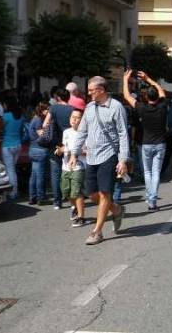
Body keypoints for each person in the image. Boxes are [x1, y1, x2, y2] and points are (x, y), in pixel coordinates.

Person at [69, 76, 129, 246]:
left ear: (101, 90)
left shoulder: (116, 108)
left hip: (109, 156)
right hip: (91, 157)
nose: (88, 93)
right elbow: (82, 132)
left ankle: (97, 232)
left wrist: (123, 160)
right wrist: (74, 153)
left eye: (91, 90)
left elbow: (123, 135)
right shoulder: (89, 107)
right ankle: (116, 209)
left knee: (104, 193)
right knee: (92, 194)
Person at [122, 70, 167, 211]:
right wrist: (149, 79)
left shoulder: (142, 108)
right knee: (156, 173)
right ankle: (152, 200)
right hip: (160, 144)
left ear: (146, 97)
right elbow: (161, 91)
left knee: (147, 173)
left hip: (146, 144)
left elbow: (127, 96)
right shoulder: (163, 106)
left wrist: (125, 80)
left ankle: (150, 198)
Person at [44, 88, 74, 209]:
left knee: (55, 172)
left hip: (55, 143)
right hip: (69, 142)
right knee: (70, 170)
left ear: (58, 98)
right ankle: (72, 198)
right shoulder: (72, 109)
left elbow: (45, 124)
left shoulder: (54, 108)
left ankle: (57, 201)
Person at [61, 108, 87, 227]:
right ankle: (74, 207)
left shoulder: (85, 133)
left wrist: (72, 152)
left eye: (77, 118)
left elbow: (88, 151)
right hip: (65, 166)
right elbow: (64, 147)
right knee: (66, 192)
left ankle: (81, 217)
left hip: (78, 167)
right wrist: (60, 150)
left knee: (76, 192)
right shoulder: (66, 132)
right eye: (72, 117)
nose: (74, 120)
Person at [1, 97, 27, 200]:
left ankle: (12, 192)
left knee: (10, 170)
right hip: (18, 145)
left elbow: (1, 129)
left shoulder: (6, 116)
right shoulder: (21, 116)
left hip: (7, 145)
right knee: (12, 169)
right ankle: (13, 191)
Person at [27, 102, 50, 205]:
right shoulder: (38, 120)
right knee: (40, 175)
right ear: (42, 111)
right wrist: (47, 129)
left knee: (34, 174)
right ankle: (41, 197)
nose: (48, 112)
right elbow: (41, 135)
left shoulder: (34, 119)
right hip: (40, 149)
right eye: (46, 110)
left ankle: (32, 197)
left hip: (32, 149)